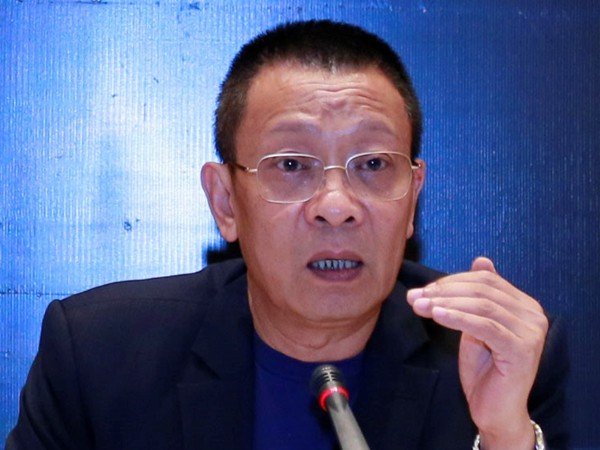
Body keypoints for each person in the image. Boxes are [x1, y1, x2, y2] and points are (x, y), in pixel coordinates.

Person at [7, 20, 567, 450]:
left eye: (373, 164)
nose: (336, 207)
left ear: (412, 196)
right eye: (292, 164)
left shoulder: (495, 356)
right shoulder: (99, 358)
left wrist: (505, 438)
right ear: (226, 201)